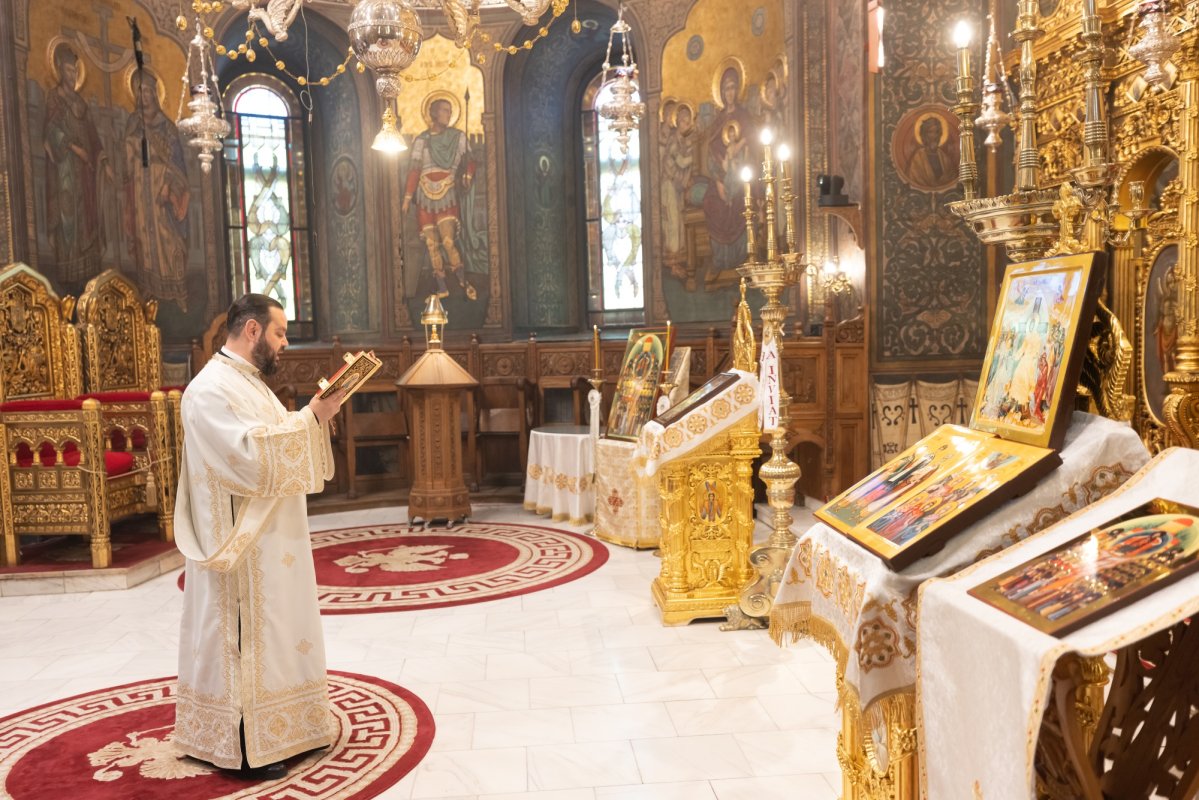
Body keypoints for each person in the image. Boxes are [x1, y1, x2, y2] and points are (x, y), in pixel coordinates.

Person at [173, 294, 345, 778]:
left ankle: (287, 726)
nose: (285, 343)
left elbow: (275, 432)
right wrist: (311, 417)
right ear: (252, 330)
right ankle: (246, 745)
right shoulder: (209, 390)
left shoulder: (247, 382)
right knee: (243, 639)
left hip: (270, 544)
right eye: (279, 333)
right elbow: (249, 456)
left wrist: (313, 417)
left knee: (281, 631)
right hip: (239, 548)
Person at [123, 72, 191, 308]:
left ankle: (178, 289)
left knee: (168, 237)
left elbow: (177, 165)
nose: (144, 96)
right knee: (144, 237)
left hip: (163, 189)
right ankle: (149, 286)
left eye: (148, 91)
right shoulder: (133, 123)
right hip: (141, 191)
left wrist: (167, 184)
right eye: (140, 91)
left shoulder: (167, 127)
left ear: (155, 93)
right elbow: (128, 158)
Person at [43, 44, 107, 292]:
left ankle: (87, 278)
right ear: (59, 69)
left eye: (74, 71)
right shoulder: (54, 98)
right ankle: (68, 277)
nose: (72, 75)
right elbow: (51, 131)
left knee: (86, 219)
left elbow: (94, 137)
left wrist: (103, 161)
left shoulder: (81, 103)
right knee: (68, 217)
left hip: (85, 174)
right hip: (65, 170)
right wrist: (75, 148)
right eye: (68, 70)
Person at [403, 97, 478, 300]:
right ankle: (442, 288)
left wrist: (468, 175)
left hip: (447, 193)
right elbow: (414, 169)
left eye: (450, 110)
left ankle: (463, 282)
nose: (449, 114)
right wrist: (407, 198)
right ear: (434, 113)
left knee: (448, 241)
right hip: (425, 197)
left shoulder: (458, 137)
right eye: (445, 110)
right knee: (431, 245)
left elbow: (470, 160)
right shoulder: (421, 140)